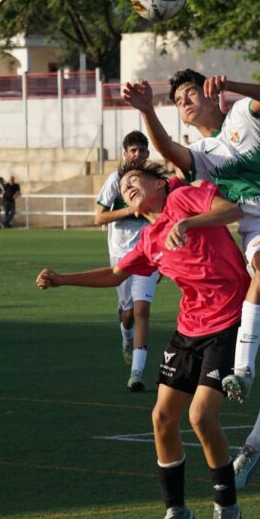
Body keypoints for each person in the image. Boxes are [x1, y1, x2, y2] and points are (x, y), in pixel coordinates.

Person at [122, 70, 260, 491]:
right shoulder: (200, 154)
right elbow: (165, 150)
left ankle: (256, 444)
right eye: (177, 98)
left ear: (211, 94)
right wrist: (146, 110)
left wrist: (235, 85)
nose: (184, 100)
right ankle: (242, 370)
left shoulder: (243, 114)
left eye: (190, 92)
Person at [36, 161, 249, 519]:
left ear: (159, 183)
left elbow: (233, 211)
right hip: (189, 329)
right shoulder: (150, 240)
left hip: (230, 320)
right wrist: (63, 279)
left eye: (136, 180)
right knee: (161, 418)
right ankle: (176, 512)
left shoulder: (185, 198)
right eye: (124, 185)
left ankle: (226, 507)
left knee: (201, 416)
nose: (129, 186)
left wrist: (188, 224)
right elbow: (117, 274)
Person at [95, 131, 161, 392]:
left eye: (142, 150)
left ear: (147, 153)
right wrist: (131, 210)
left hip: (148, 252)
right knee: (128, 314)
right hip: (121, 254)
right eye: (132, 150)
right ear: (125, 154)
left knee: (142, 309)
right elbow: (99, 217)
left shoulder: (154, 181)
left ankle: (137, 373)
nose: (137, 155)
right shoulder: (116, 180)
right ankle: (125, 334)